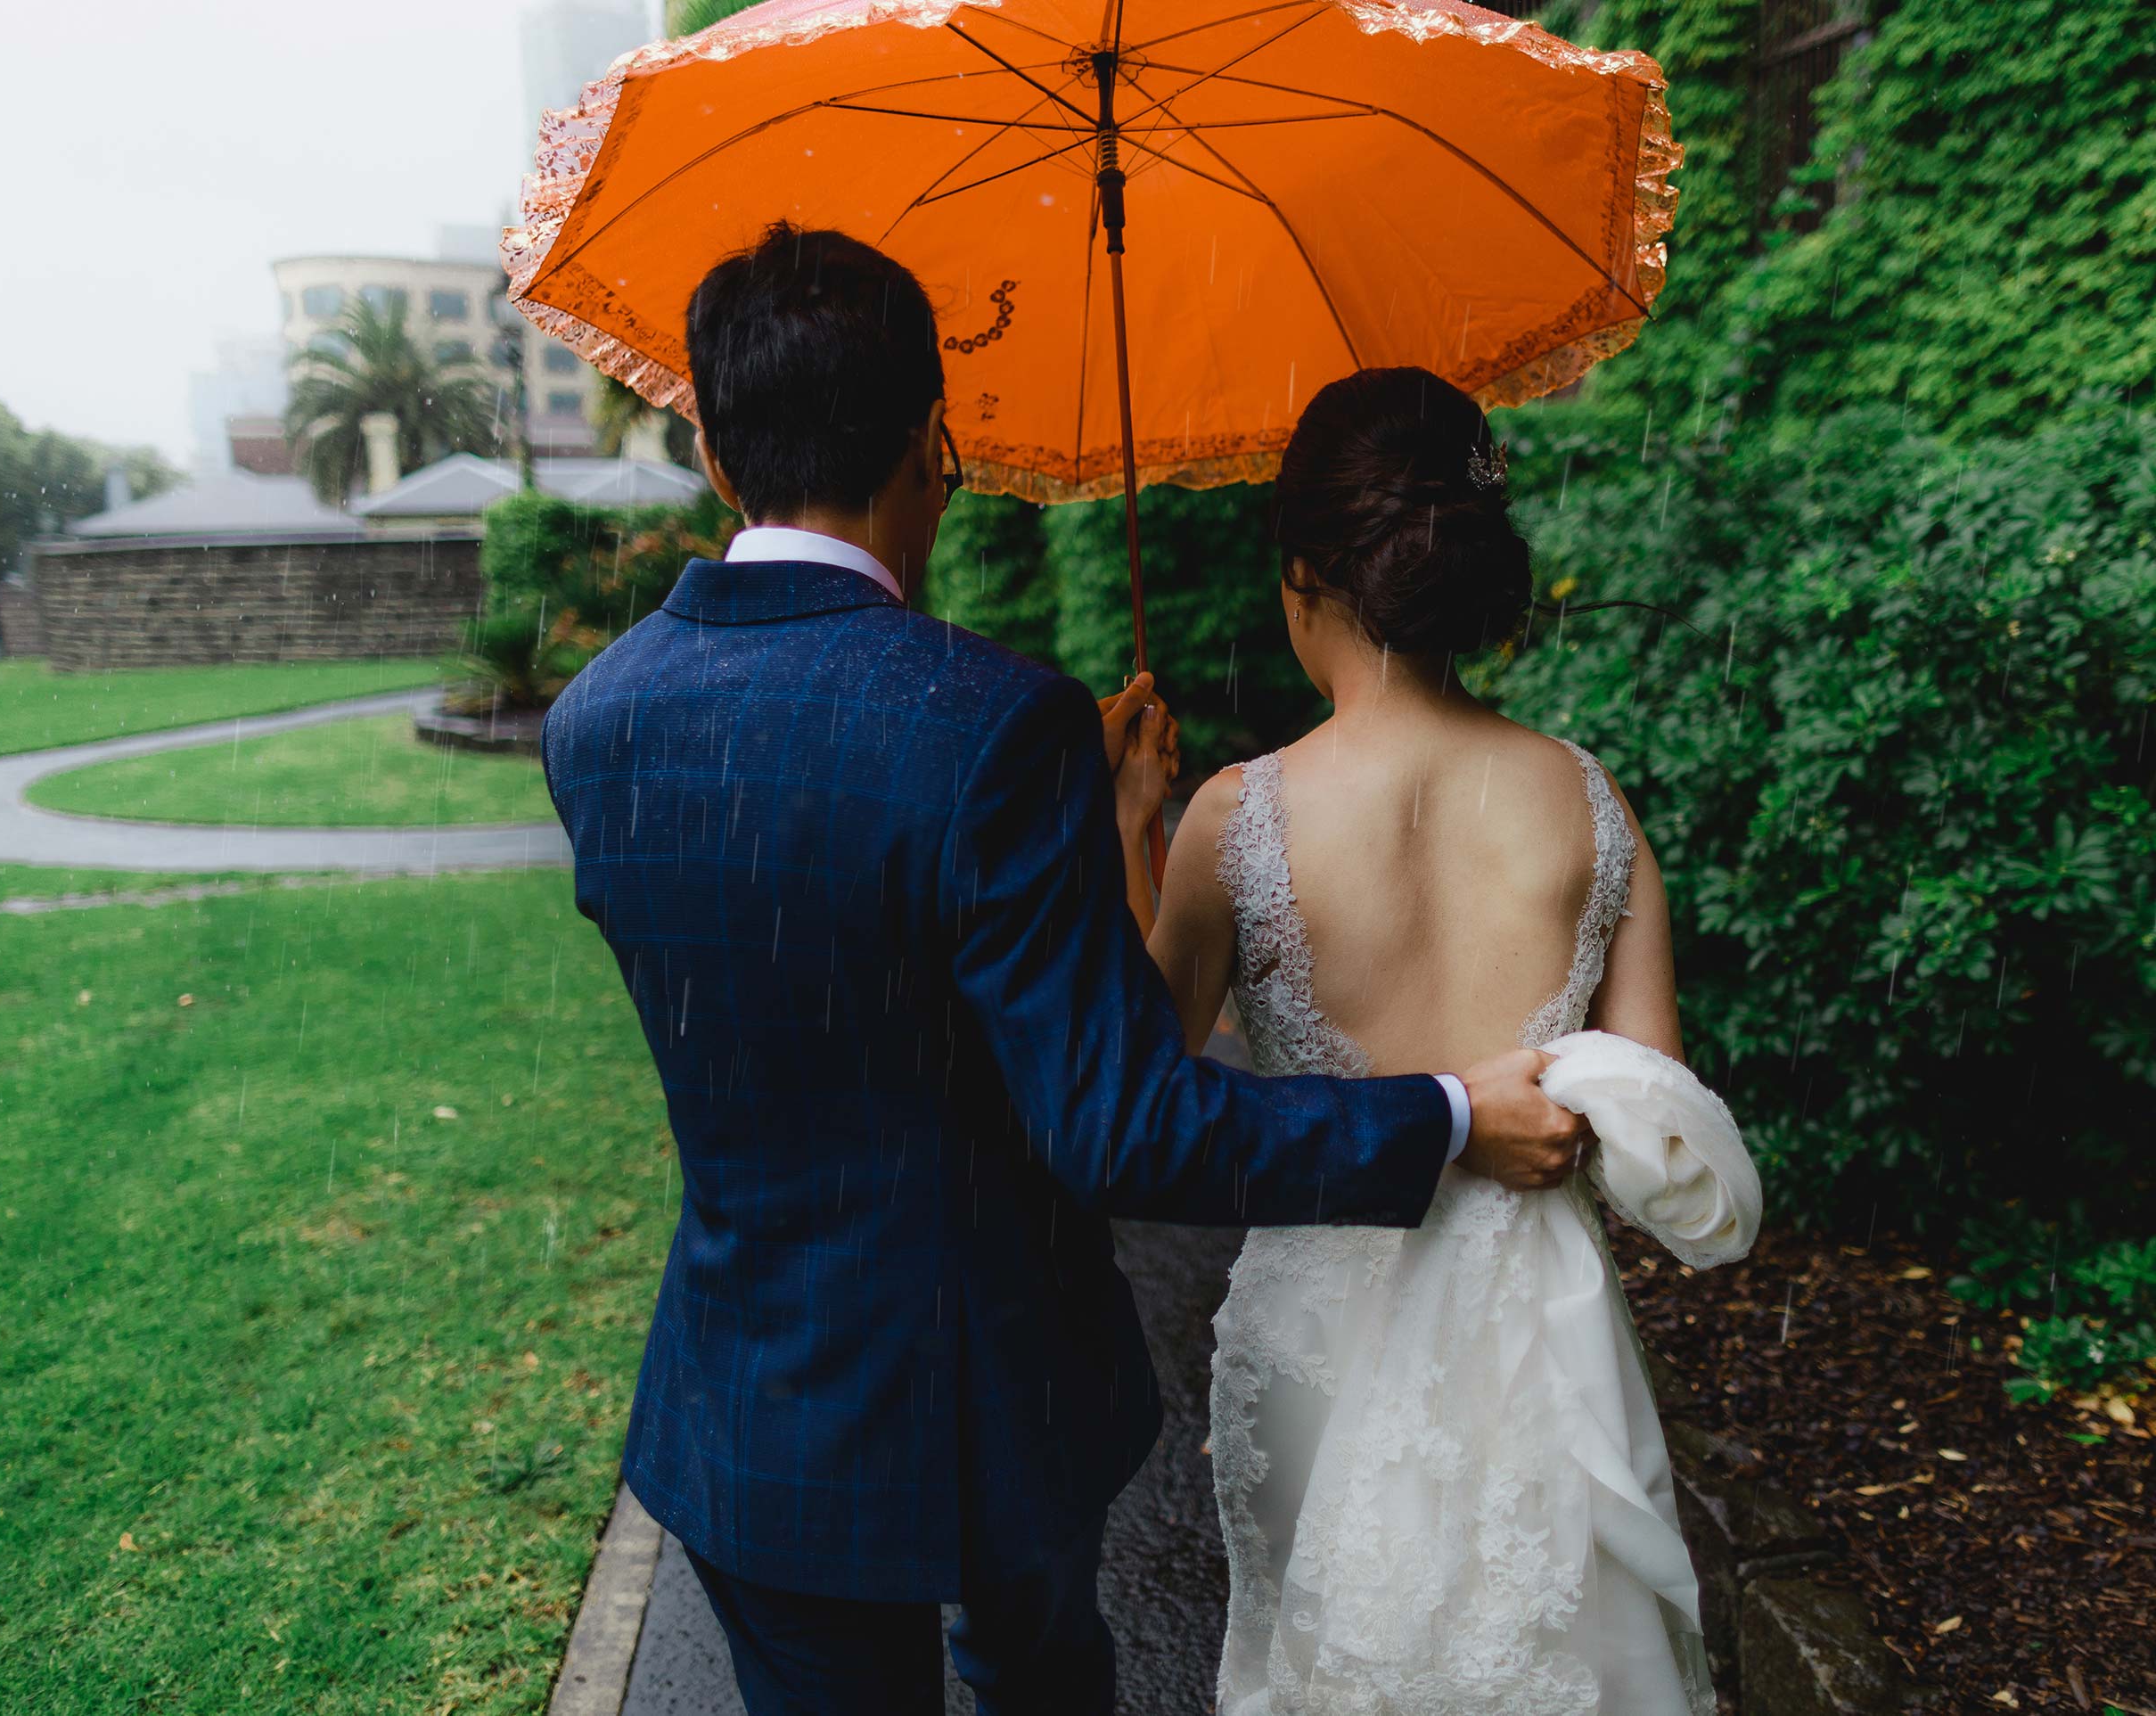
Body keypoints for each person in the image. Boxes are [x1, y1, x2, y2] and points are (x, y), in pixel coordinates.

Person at [537, 227, 1589, 1716]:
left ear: (716, 450)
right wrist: (1443, 1112)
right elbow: (1125, 1124)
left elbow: (822, 948)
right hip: (994, 1390)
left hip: (746, 1409)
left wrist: (1084, 827)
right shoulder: (990, 723)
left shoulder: (594, 723)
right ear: (928, 438)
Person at [1135, 367, 1758, 1713]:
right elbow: (1653, 1114)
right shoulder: (1588, 800)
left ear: (1303, 569)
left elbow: (1149, 1083)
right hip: (1536, 1353)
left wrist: (1143, 824)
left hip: (1312, 1336)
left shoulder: (1235, 818)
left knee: (1319, 1667)